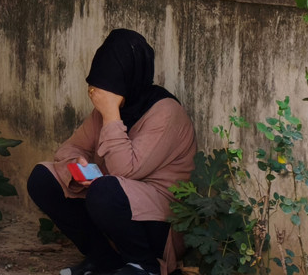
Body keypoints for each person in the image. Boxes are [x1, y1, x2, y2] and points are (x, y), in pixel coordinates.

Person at [27, 29, 197, 275]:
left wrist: (110, 114)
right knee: (43, 178)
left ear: (127, 82)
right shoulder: (110, 110)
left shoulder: (165, 113)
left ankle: (145, 266)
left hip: (161, 220)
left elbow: (124, 170)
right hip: (115, 197)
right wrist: (80, 165)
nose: (96, 96)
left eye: (104, 90)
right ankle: (104, 260)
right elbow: (68, 149)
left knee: (104, 190)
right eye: (95, 87)